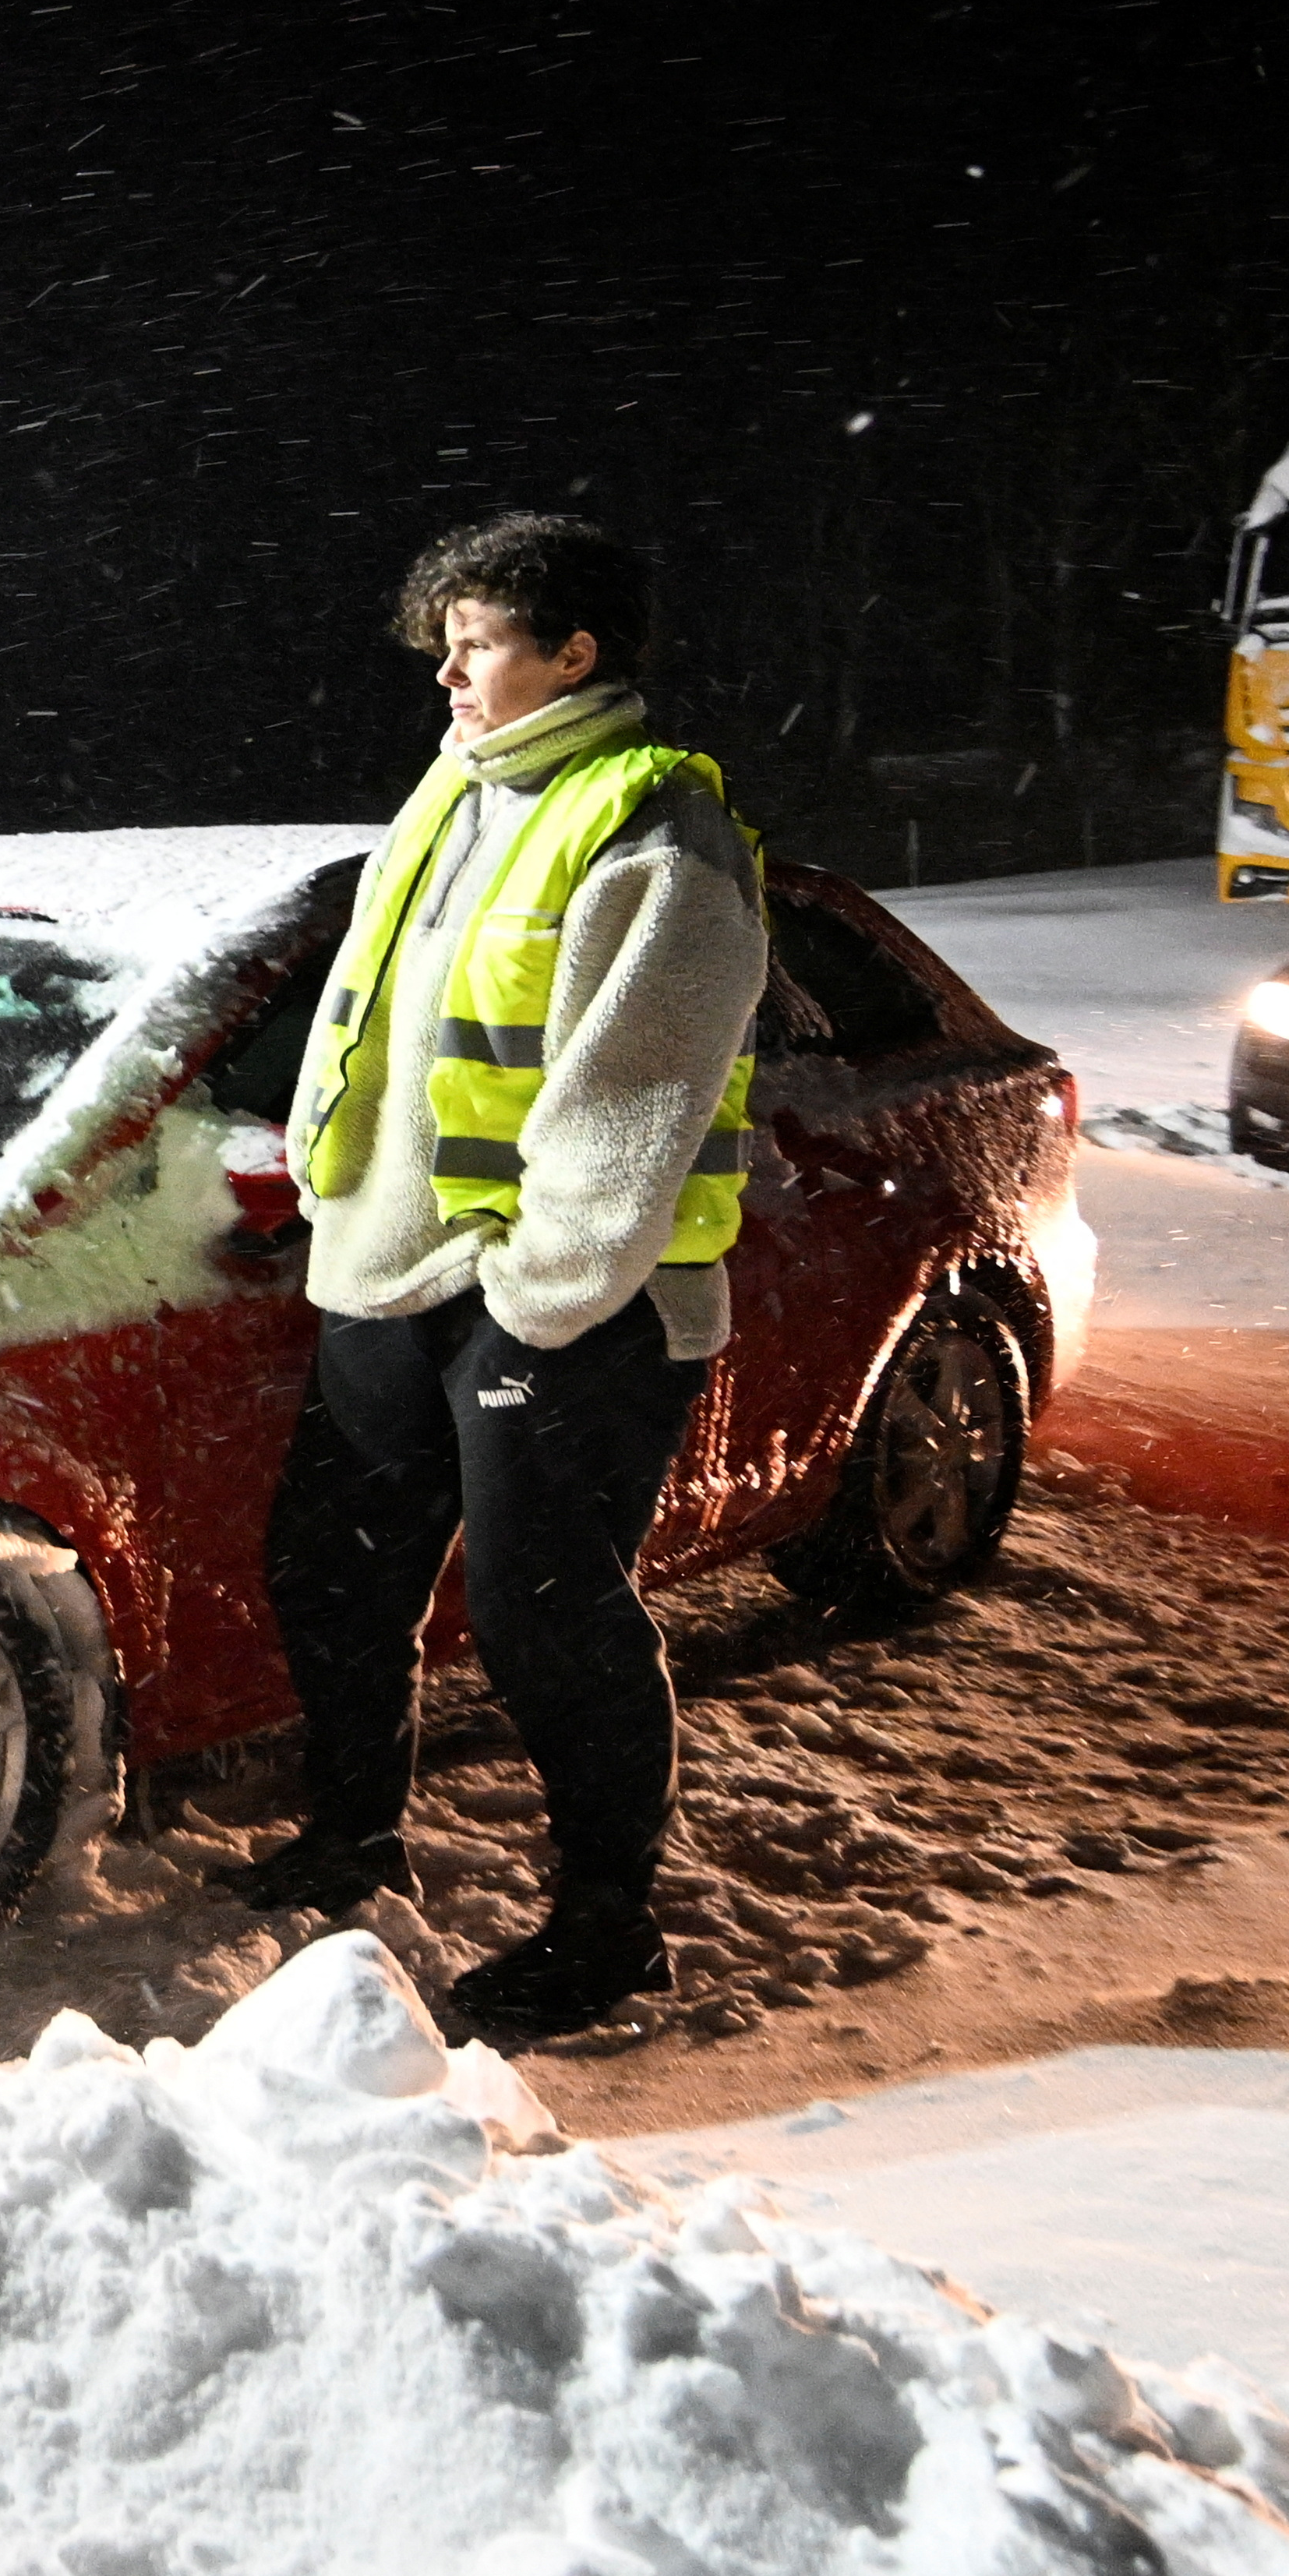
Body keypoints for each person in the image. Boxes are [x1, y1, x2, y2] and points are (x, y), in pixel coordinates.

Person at [228, 513, 773, 2042]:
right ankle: (352, 1836)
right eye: (447, 643)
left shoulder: (656, 829)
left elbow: (634, 1095)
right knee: (329, 1564)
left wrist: (536, 1293)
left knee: (549, 1621)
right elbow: (370, 1018)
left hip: (563, 1298)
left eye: (479, 642)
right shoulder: (457, 794)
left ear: (575, 651)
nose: (450, 673)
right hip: (400, 1268)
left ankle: (606, 1927)